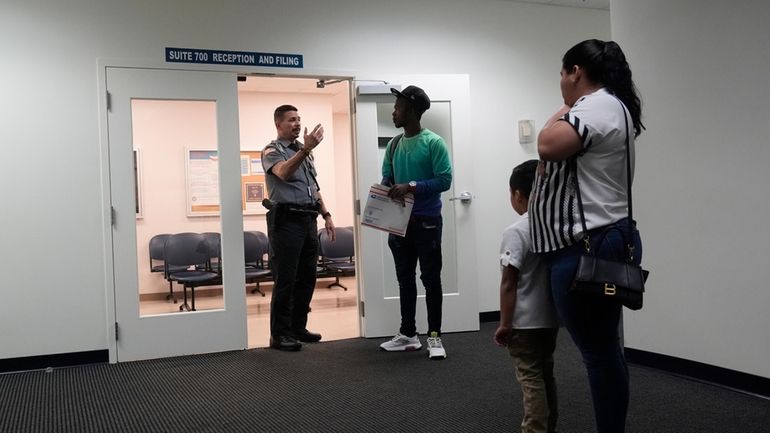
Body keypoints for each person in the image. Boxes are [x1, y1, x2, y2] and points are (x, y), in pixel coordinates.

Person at [530, 39, 645, 433]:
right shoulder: (609, 105)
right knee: (604, 349)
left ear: (575, 71)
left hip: (588, 244)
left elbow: (547, 145)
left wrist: (564, 109)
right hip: (595, 241)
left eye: (563, 74)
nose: (561, 83)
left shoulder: (596, 105)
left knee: (599, 353)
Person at [378, 85, 452, 360]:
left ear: (410, 110)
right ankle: (408, 334)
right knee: (404, 280)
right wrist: (384, 189)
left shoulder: (434, 142)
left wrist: (410, 186)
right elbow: (387, 175)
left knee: (431, 280)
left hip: (427, 222)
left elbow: (444, 181)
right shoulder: (395, 144)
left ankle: (434, 337)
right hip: (399, 223)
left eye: (397, 107)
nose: (394, 112)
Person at [262, 104, 336, 352]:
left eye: (299, 119)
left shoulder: (305, 153)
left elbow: (313, 188)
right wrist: (305, 149)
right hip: (286, 220)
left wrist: (326, 213)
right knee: (286, 279)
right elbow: (282, 173)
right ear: (278, 124)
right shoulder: (272, 151)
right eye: (291, 119)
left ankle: (297, 327)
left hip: (308, 219)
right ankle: (279, 335)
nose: (296, 123)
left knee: (307, 277)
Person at [494, 160, 559, 433]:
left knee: (530, 378)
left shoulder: (516, 231)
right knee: (545, 375)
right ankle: (548, 426)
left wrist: (505, 324)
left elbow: (509, 283)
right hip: (550, 318)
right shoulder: (555, 227)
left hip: (523, 321)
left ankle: (534, 429)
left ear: (518, 195)